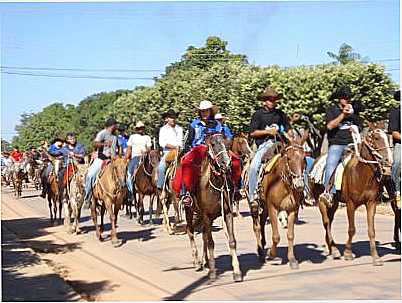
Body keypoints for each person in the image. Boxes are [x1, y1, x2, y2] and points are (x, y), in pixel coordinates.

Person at [173, 100, 241, 206]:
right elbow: (188, 141)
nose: (204, 113)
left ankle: (236, 189)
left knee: (235, 160)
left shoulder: (217, 124)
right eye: (202, 111)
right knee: (185, 162)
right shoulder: (194, 125)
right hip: (198, 150)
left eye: (206, 111)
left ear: (210, 112)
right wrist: (188, 150)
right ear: (200, 112)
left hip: (216, 149)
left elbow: (223, 138)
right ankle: (186, 193)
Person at [248, 86, 291, 210]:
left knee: (296, 162)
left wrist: (289, 135)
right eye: (269, 99)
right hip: (264, 145)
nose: (272, 102)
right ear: (264, 101)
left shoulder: (280, 114)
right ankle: (253, 196)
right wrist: (268, 132)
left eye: (274, 99)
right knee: (254, 166)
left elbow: (287, 129)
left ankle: (300, 192)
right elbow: (252, 133)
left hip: (280, 144)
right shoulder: (258, 114)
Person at [319, 86, 362, 206]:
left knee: (367, 162)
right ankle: (328, 192)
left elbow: (360, 126)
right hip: (337, 144)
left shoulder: (354, 112)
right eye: (344, 98)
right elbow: (329, 126)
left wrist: (355, 127)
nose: (346, 100)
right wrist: (343, 114)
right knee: (331, 164)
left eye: (348, 98)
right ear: (339, 99)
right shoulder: (332, 110)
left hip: (352, 143)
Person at [84, 117, 118, 208]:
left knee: (121, 174)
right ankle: (87, 197)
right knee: (91, 175)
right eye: (115, 125)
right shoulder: (102, 133)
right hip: (101, 159)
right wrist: (105, 144)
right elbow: (94, 143)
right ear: (112, 125)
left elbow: (115, 150)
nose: (116, 127)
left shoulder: (115, 137)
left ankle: (124, 197)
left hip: (111, 160)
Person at [156, 109, 183, 191]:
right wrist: (174, 147)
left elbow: (181, 142)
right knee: (161, 167)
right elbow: (162, 143)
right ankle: (160, 186)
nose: (173, 119)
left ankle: (185, 189)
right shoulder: (163, 129)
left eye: (174, 117)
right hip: (167, 152)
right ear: (166, 119)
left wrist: (179, 148)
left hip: (179, 152)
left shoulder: (179, 128)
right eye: (171, 117)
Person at [125, 121, 152, 200]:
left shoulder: (147, 137)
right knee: (129, 174)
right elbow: (129, 148)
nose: (141, 130)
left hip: (145, 157)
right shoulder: (132, 137)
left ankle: (154, 188)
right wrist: (126, 158)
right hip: (135, 157)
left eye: (142, 128)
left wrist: (146, 151)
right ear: (136, 129)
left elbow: (149, 148)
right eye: (139, 128)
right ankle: (130, 193)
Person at [389, 90, 401, 208]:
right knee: (397, 163)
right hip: (400, 144)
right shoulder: (396, 112)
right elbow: (394, 133)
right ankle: (395, 191)